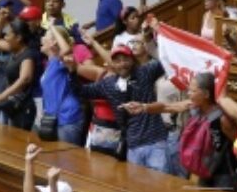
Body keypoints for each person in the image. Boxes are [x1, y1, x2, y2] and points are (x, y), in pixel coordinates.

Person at [73, 42, 170, 172]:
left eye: (126, 59)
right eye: (117, 61)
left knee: (160, 185)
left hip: (156, 142)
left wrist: (151, 39)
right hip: (133, 146)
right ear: (112, 64)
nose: (122, 64)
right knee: (137, 189)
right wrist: (71, 71)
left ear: (132, 60)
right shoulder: (108, 84)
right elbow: (81, 91)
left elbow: (165, 60)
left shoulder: (145, 72)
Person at [0, 19, 37, 131]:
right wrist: (1, 19)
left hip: (21, 106)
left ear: (18, 38)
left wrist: (2, 96)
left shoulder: (28, 54)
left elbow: (25, 79)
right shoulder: (14, 49)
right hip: (10, 103)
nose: (5, 37)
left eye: (8, 34)